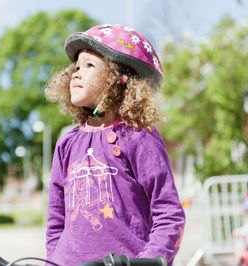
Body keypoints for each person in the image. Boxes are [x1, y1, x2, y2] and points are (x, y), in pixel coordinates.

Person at [44, 24, 186, 266]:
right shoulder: (67, 142)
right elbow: (56, 219)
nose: (76, 73)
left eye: (89, 66)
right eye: (76, 67)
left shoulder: (139, 137)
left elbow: (168, 215)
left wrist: (148, 261)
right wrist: (53, 260)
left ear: (119, 81)